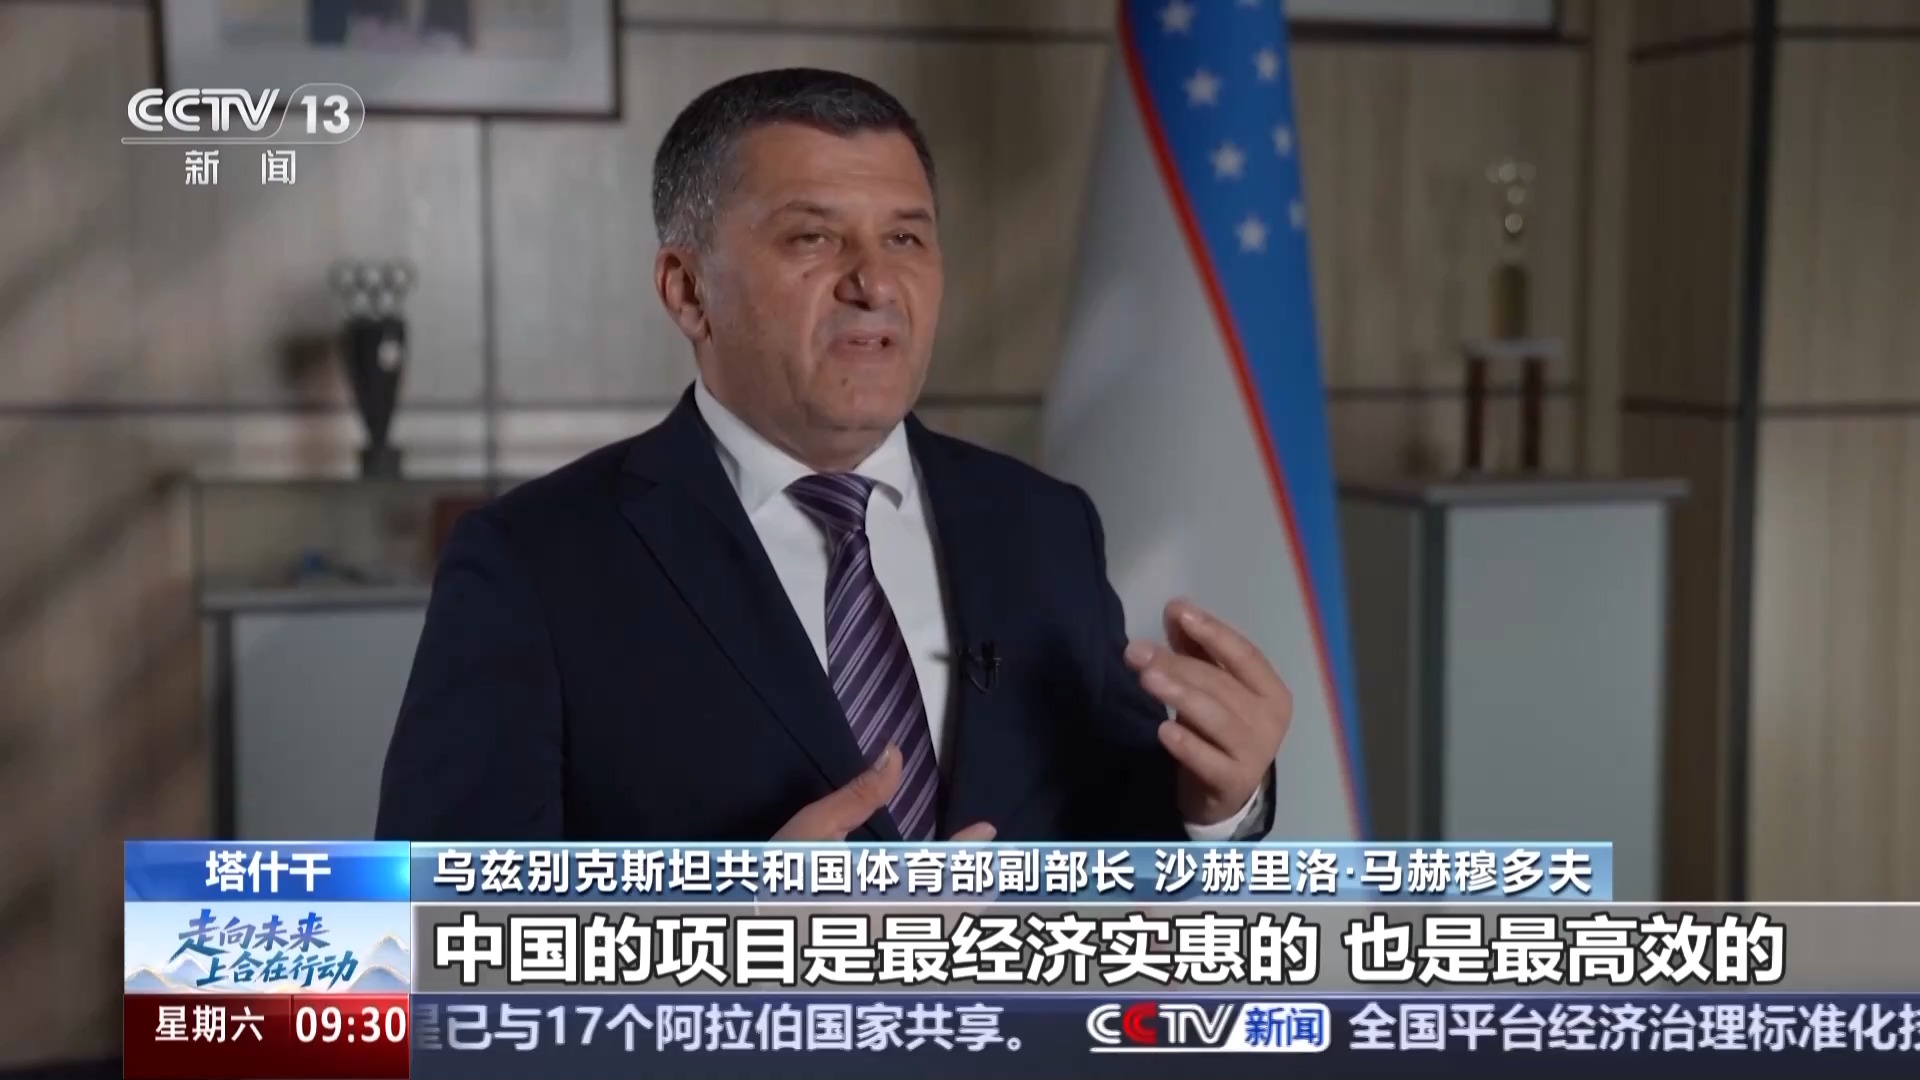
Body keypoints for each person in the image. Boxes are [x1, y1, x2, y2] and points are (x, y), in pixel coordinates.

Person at [374, 68, 1292, 843]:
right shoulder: (534, 563)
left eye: (905, 238)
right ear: (688, 291)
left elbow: (1115, 847)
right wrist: (731, 951)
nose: (874, 282)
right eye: (813, 237)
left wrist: (1217, 804)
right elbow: (426, 937)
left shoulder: (1044, 526)